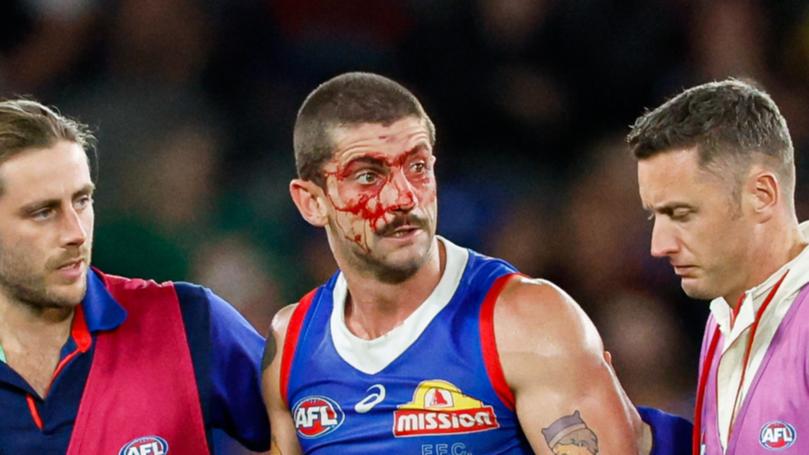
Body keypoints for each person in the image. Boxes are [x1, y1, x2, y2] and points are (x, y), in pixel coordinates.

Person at [262, 71, 690, 454]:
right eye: (369, 176)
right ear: (311, 202)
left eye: (417, 167)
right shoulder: (291, 347)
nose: (404, 198)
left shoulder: (526, 322)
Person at [0, 98, 270, 453]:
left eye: (82, 200)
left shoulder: (188, 322)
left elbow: (328, 433)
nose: (76, 232)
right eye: (43, 212)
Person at [628, 79, 809, 454]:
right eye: (654, 218)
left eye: (681, 214)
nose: (658, 246)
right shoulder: (725, 315)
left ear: (761, 195)